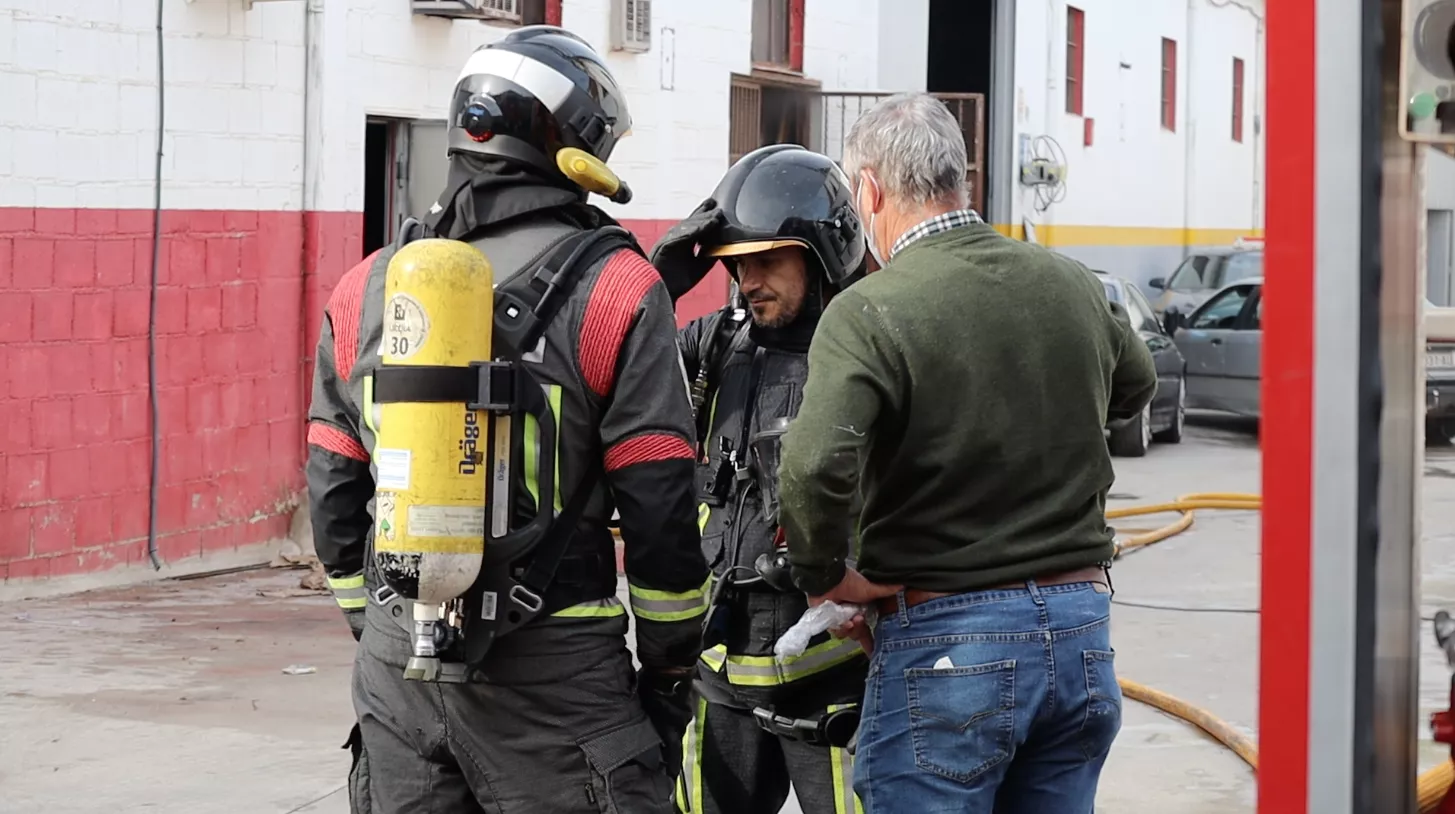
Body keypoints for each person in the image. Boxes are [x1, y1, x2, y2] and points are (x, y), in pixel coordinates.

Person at [305, 26, 709, 814]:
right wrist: (667, 664)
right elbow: (659, 505)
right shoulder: (620, 289)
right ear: (574, 146)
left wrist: (379, 625)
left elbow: (331, 487)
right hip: (555, 677)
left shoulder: (365, 286)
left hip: (396, 671)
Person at [776, 92, 1158, 812]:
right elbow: (1134, 389)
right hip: (1081, 636)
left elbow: (815, 465)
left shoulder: (868, 310)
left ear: (869, 189)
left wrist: (826, 576)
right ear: (961, 181)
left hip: (951, 647)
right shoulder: (1071, 283)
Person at [649, 144, 870, 814]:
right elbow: (612, 376)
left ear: (822, 252)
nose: (750, 280)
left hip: (837, 679)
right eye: (738, 265)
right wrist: (655, 287)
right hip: (720, 672)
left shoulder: (867, 352)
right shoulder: (714, 346)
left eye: (768, 259)